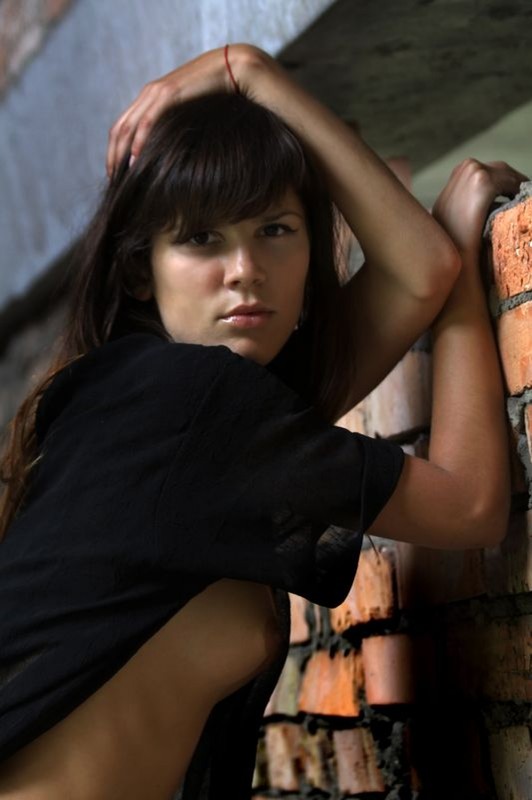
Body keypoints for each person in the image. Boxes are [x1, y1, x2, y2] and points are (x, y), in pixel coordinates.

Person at [0, 42, 523, 800]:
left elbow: (419, 270)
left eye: (275, 230)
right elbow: (472, 507)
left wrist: (252, 72)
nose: (245, 270)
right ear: (141, 269)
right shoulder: (186, 401)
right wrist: (467, 287)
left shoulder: (166, 417)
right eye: (201, 238)